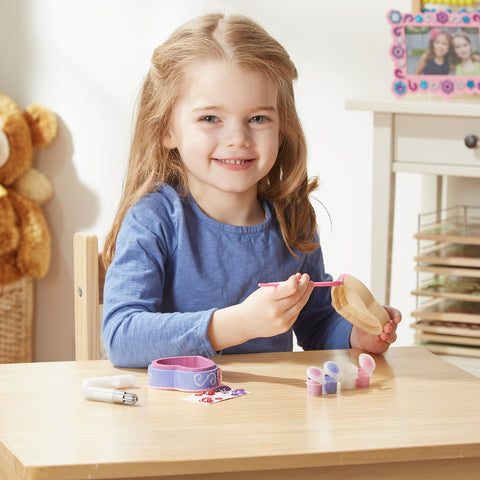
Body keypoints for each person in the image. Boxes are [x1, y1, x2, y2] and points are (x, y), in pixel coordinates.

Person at [102, 13, 402, 368]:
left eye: (258, 118)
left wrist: (357, 336)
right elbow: (121, 337)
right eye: (210, 118)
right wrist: (238, 324)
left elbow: (317, 324)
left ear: (282, 127)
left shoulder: (293, 220)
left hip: (269, 417)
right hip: (176, 417)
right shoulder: (154, 220)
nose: (238, 139)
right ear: (167, 129)